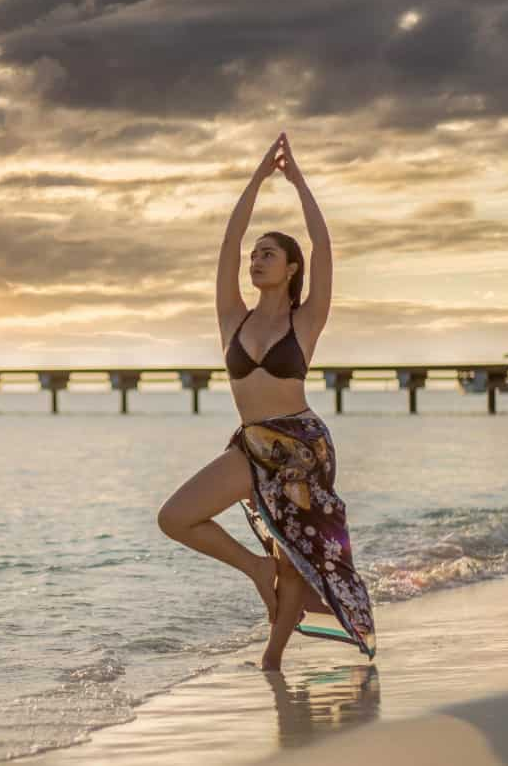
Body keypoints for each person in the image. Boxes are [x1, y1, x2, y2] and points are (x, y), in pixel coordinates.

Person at [157, 132, 376, 671]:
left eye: (267, 254)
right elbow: (227, 244)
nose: (255, 260)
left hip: (301, 447)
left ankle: (272, 659)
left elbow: (324, 249)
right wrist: (256, 179)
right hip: (253, 445)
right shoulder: (234, 316)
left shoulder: (306, 321)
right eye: (254, 256)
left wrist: (298, 182)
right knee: (176, 517)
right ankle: (256, 569)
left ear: (291, 268)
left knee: (296, 556)